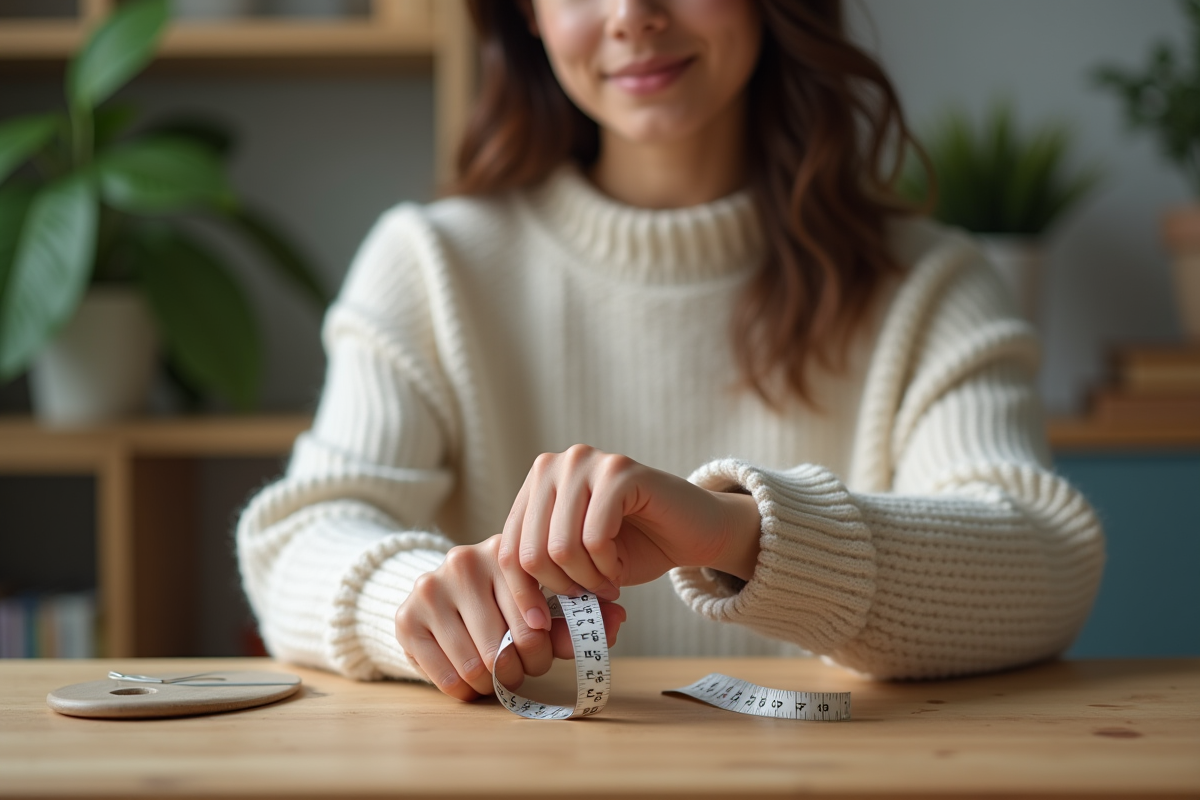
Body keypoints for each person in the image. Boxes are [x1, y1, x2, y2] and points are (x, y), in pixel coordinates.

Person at [237, 0, 1105, 702]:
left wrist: (739, 531)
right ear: (526, 16)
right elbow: (298, 540)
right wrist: (418, 602)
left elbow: (1044, 563)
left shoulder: (933, 284)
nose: (632, 15)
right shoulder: (429, 267)